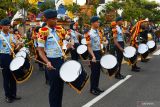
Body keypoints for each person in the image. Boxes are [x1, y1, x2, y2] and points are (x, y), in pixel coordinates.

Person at [37, 9, 71, 107]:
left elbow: (67, 40)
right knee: (54, 88)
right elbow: (40, 50)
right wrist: (47, 62)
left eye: (56, 18)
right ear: (47, 20)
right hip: (51, 61)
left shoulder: (60, 29)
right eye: (53, 19)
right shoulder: (43, 31)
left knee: (60, 86)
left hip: (61, 59)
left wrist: (69, 44)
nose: (55, 21)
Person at [0, 18, 21, 103]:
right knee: (6, 77)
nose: (8, 27)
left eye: (9, 25)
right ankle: (7, 96)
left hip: (12, 56)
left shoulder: (12, 36)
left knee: (13, 77)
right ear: (1, 26)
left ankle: (13, 94)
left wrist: (19, 45)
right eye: (6, 25)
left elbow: (16, 47)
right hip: (3, 57)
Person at [87, 16, 104, 95]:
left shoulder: (98, 31)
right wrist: (93, 56)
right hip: (93, 54)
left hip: (98, 52)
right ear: (93, 23)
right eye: (97, 22)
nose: (98, 23)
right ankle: (92, 89)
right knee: (94, 72)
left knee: (98, 72)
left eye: (98, 21)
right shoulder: (89, 34)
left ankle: (96, 87)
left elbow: (99, 43)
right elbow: (89, 47)